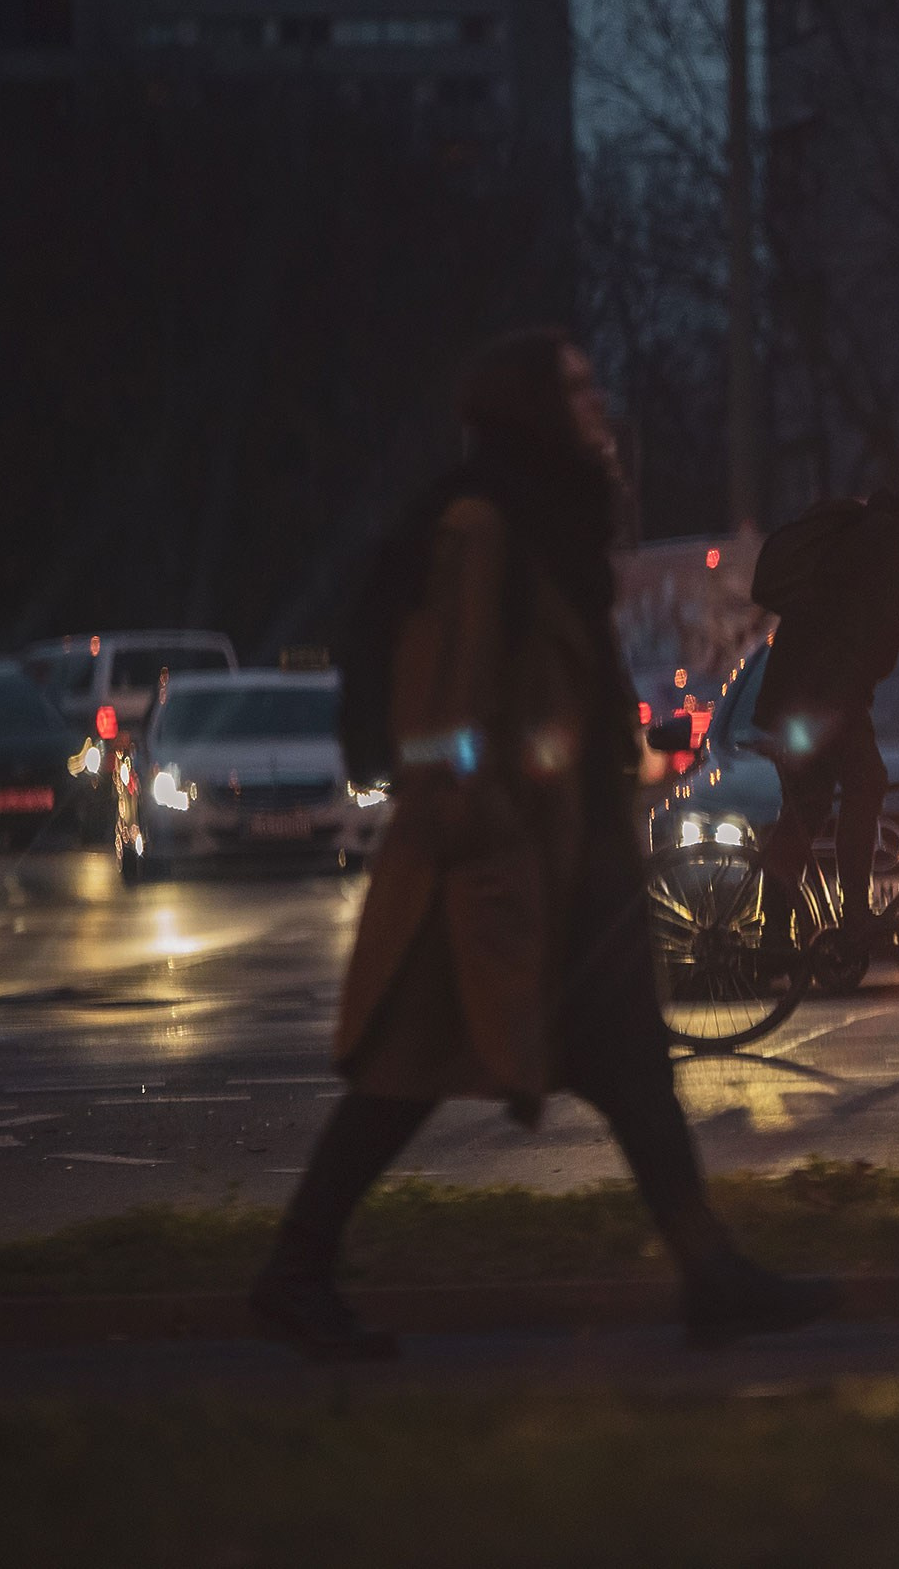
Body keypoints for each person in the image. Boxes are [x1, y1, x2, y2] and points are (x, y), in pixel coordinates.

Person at [253, 329, 835, 1360]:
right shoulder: (483, 528)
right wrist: (478, 828)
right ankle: (293, 1272)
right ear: (531, 411)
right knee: (405, 1072)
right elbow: (445, 707)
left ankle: (710, 1276)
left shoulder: (546, 527)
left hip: (566, 858)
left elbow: (552, 698)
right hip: (495, 867)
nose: (597, 403)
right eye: (574, 390)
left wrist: (627, 758)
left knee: (629, 1073)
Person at [750, 446, 899, 942]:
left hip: (819, 693)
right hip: (816, 696)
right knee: (866, 781)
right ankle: (854, 916)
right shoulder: (891, 542)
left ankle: (774, 938)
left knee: (811, 804)